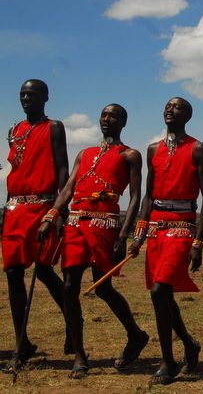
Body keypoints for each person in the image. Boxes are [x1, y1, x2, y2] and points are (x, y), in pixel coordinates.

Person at [38, 104, 148, 379]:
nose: (106, 119)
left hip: (106, 226)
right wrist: (51, 216)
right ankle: (79, 355)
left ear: (123, 122)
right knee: (69, 286)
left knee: (103, 287)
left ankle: (135, 334)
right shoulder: (84, 154)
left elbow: (135, 197)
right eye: (103, 115)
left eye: (113, 115)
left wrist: (124, 234)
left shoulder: (130, 155)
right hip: (75, 224)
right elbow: (68, 188)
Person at [128, 98, 203, 384]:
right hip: (155, 229)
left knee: (158, 292)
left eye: (176, 107)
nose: (169, 109)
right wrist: (139, 235)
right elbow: (149, 196)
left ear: (187, 115)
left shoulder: (197, 148)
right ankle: (189, 344)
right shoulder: (153, 149)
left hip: (182, 228)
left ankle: (168, 362)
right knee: (163, 295)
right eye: (167, 106)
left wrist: (198, 242)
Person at [3, 79, 71, 372]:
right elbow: (15, 171)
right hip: (15, 209)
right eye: (22, 94)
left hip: (44, 206)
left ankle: (73, 321)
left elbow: (63, 168)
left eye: (31, 94)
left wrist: (60, 210)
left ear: (45, 97)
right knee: (13, 273)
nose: (26, 98)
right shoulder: (13, 131)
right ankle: (22, 344)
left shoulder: (53, 127)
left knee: (43, 271)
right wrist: (6, 209)